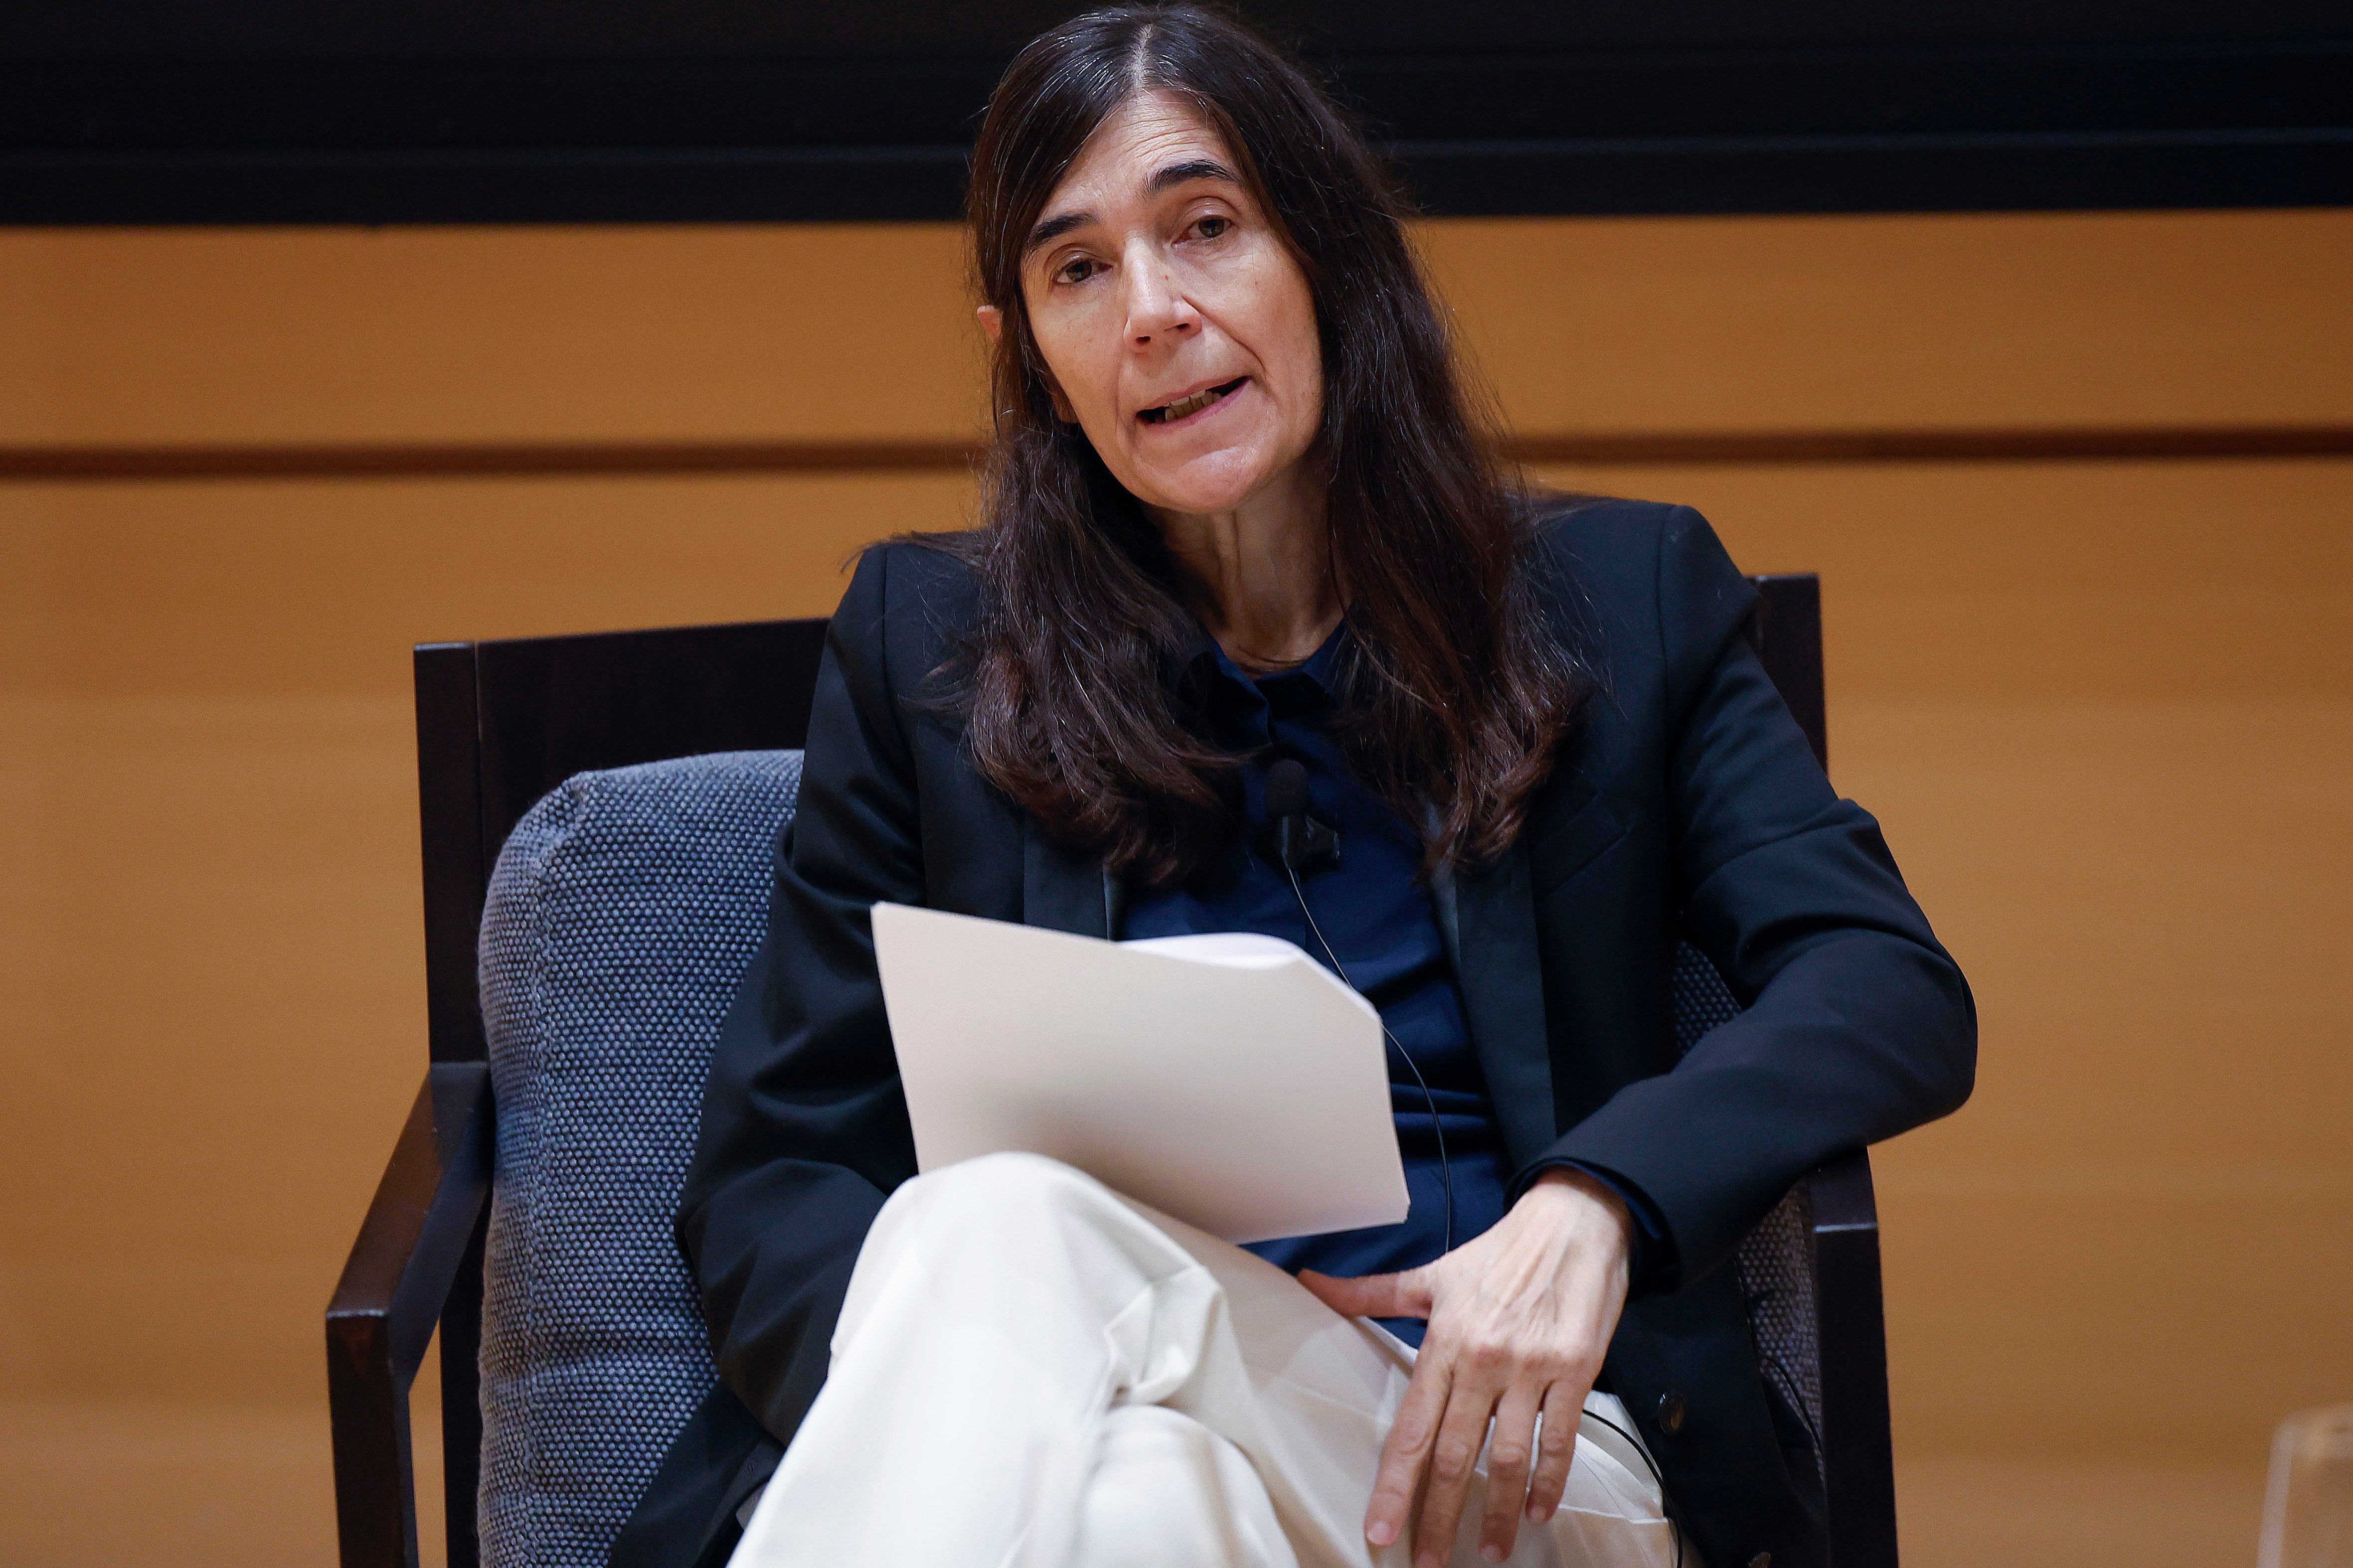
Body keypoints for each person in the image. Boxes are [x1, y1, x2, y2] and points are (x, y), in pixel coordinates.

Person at [610, 7, 1976, 1568]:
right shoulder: (932, 650)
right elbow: (775, 1169)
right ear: (1031, 360)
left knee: (999, 1221)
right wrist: (992, 1361)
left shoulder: (1622, 593)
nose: (1151, 313)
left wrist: (1597, 1203)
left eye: (1205, 230)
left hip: (1510, 1451)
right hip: (1114, 1440)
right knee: (1122, 1487)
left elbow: (1887, 980)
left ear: (1328, 255)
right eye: (1076, 270)